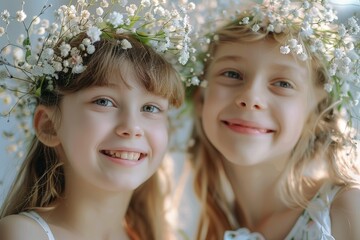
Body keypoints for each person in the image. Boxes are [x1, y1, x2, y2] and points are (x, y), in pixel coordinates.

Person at [0, 1, 195, 239]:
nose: (132, 128)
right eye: (104, 102)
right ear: (49, 125)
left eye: (150, 107)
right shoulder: (24, 234)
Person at [186, 0, 360, 239]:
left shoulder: (344, 210)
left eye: (282, 84)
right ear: (200, 96)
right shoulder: (186, 220)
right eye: (232, 74)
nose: (250, 97)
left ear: (316, 110)